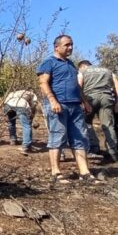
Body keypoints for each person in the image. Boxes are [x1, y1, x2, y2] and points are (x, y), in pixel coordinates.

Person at [37, 35, 96, 185]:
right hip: (58, 105)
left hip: (75, 106)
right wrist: (52, 100)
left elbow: (76, 85)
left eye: (71, 45)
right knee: (57, 137)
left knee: (80, 137)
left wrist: (85, 101)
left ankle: (85, 172)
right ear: (56, 47)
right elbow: (43, 83)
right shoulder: (48, 62)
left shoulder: (71, 64)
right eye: (67, 45)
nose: (70, 47)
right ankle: (56, 173)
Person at [77, 60, 118, 162]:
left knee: (86, 123)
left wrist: (84, 102)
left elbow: (79, 86)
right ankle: (112, 152)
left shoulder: (82, 72)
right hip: (106, 97)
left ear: (82, 66)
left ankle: (94, 147)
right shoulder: (107, 71)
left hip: (90, 98)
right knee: (108, 125)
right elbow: (117, 86)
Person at [4, 89, 38, 154]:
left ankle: (13, 140)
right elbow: (33, 106)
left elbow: (5, 102)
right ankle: (26, 147)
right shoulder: (32, 94)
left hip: (8, 105)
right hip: (21, 104)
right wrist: (31, 117)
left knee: (11, 123)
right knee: (26, 125)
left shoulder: (13, 92)